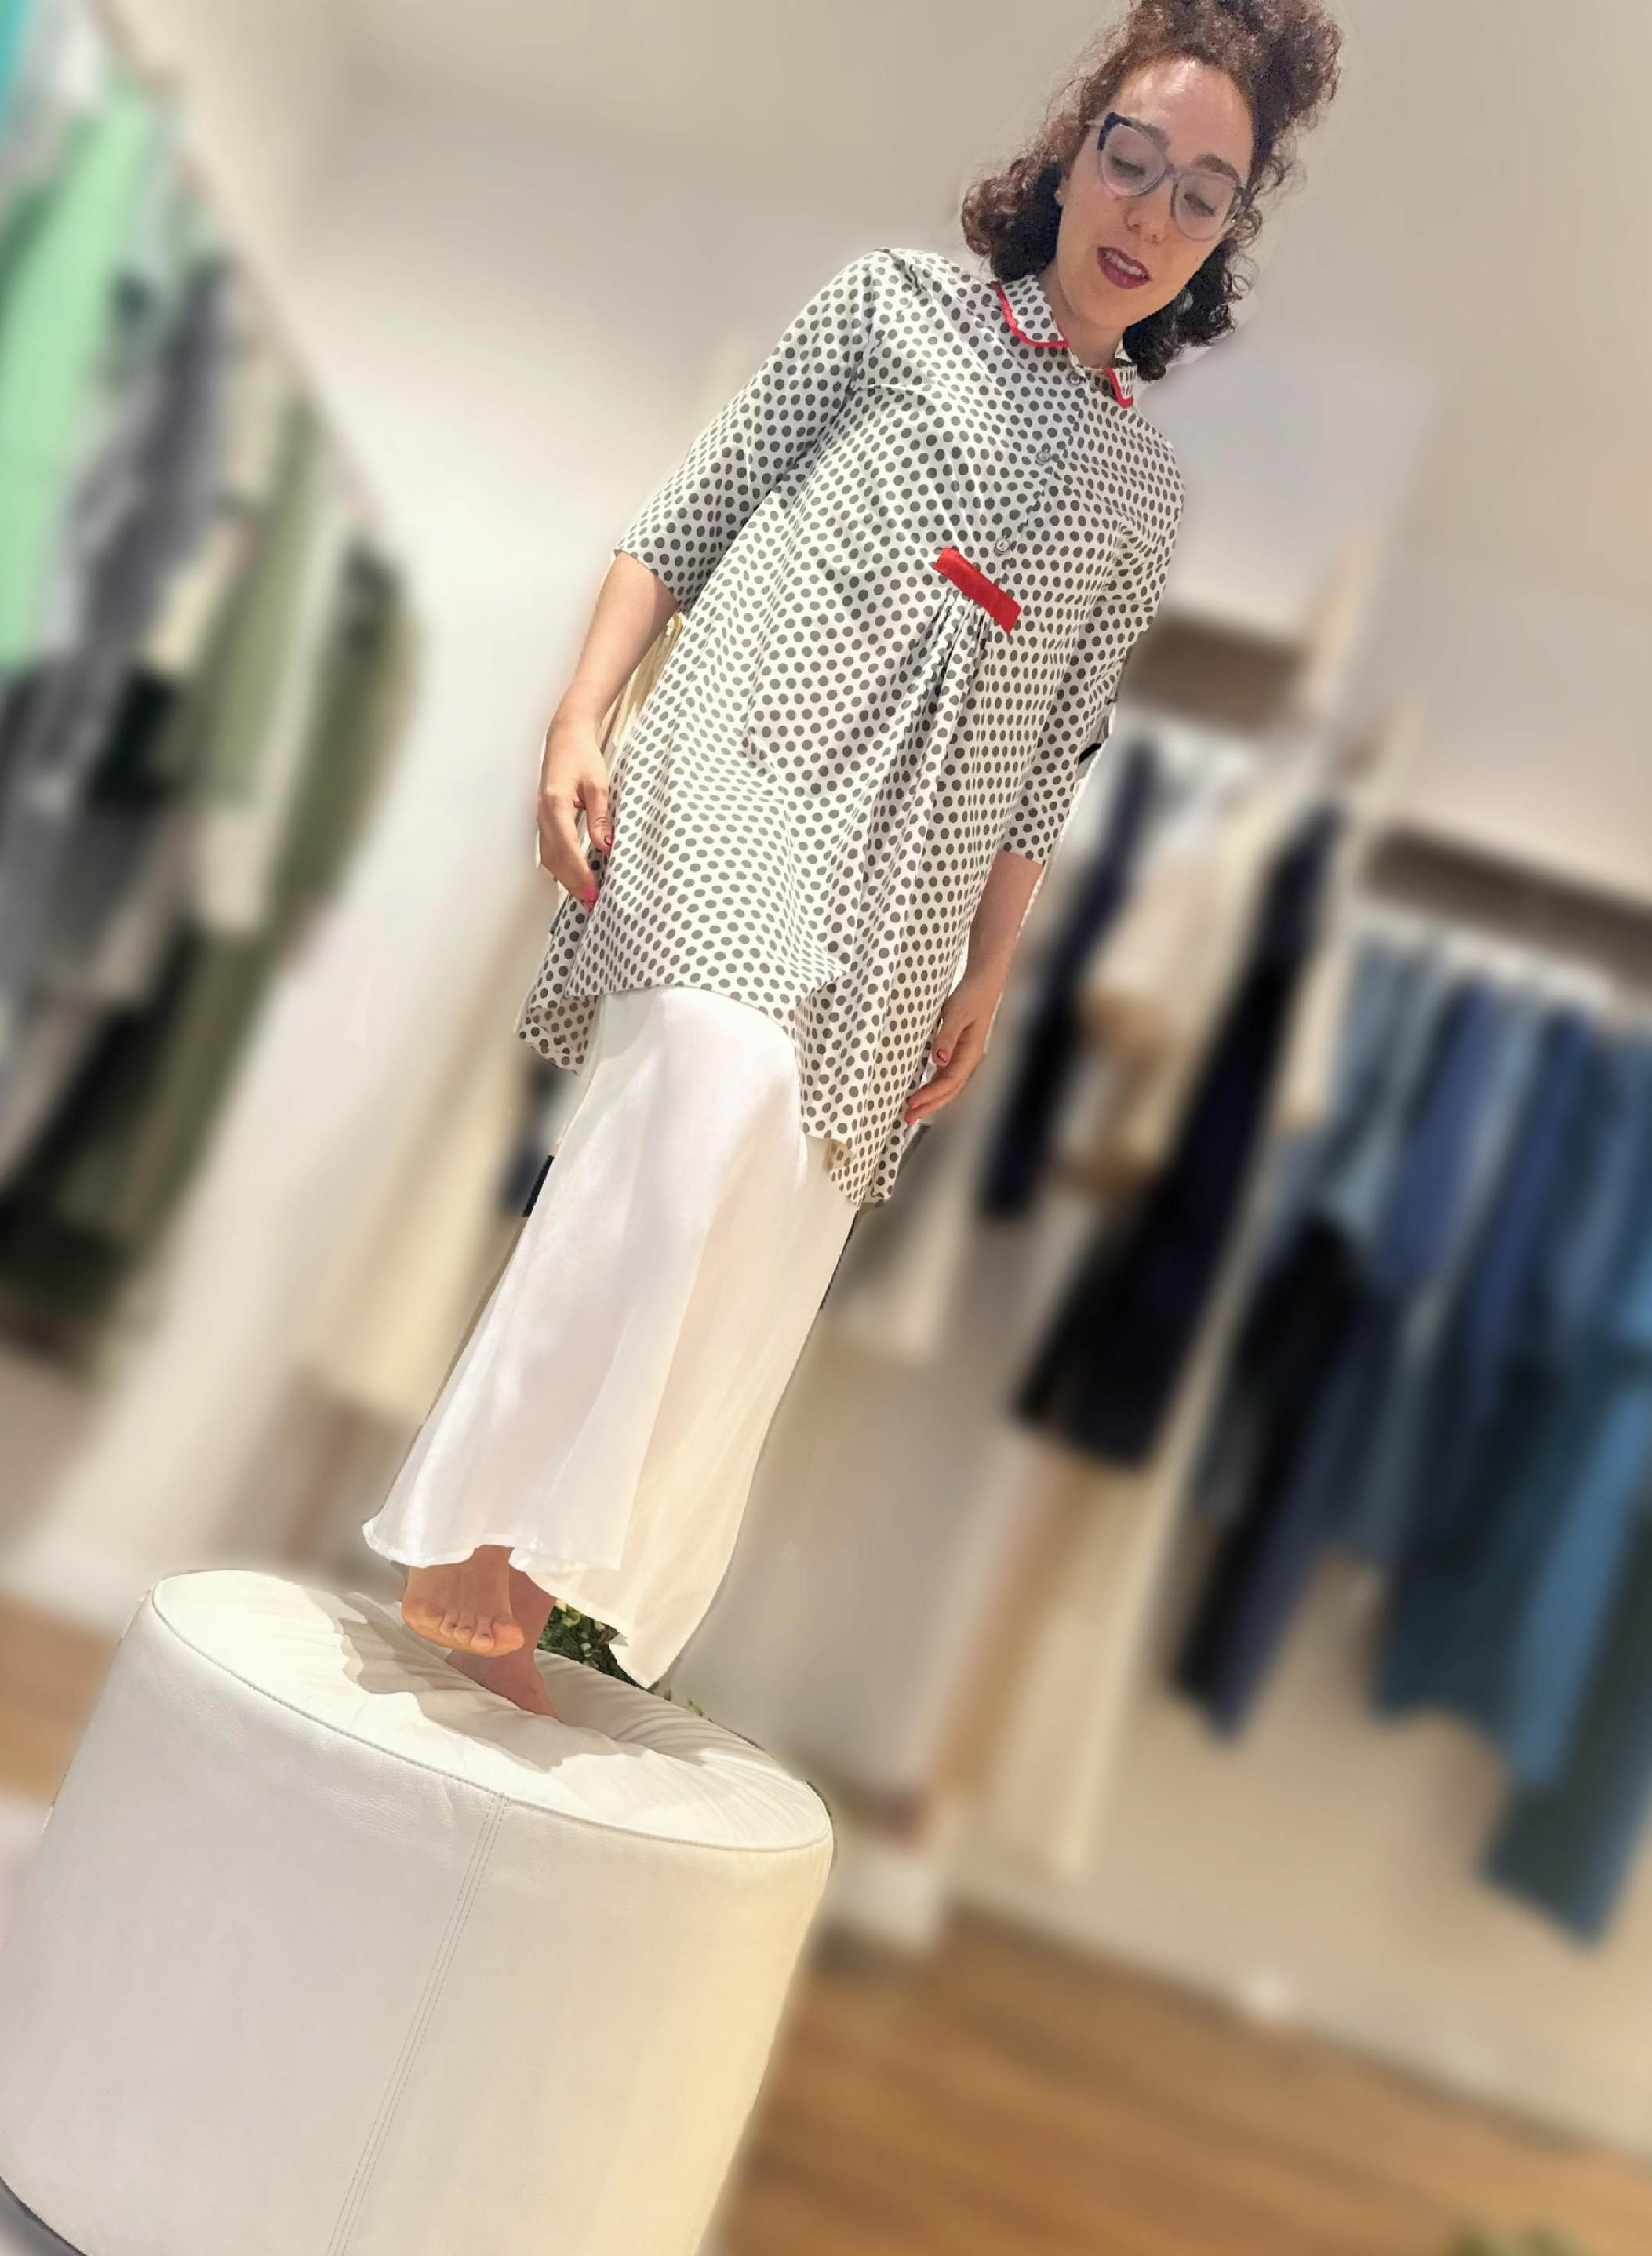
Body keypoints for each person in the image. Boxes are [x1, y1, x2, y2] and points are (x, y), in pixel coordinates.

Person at [364, 1, 1343, 1714]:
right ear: (1073, 151)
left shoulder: (1144, 495)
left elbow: (1054, 757)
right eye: (1132, 159)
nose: (1150, 213)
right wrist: (580, 716)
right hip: (748, 758)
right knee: (711, 1083)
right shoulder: (890, 307)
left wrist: (996, 963)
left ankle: (565, 1586)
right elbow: (690, 517)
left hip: (917, 873)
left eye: (1202, 196)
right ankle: (488, 1539)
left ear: (1222, 239)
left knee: (776, 1213)